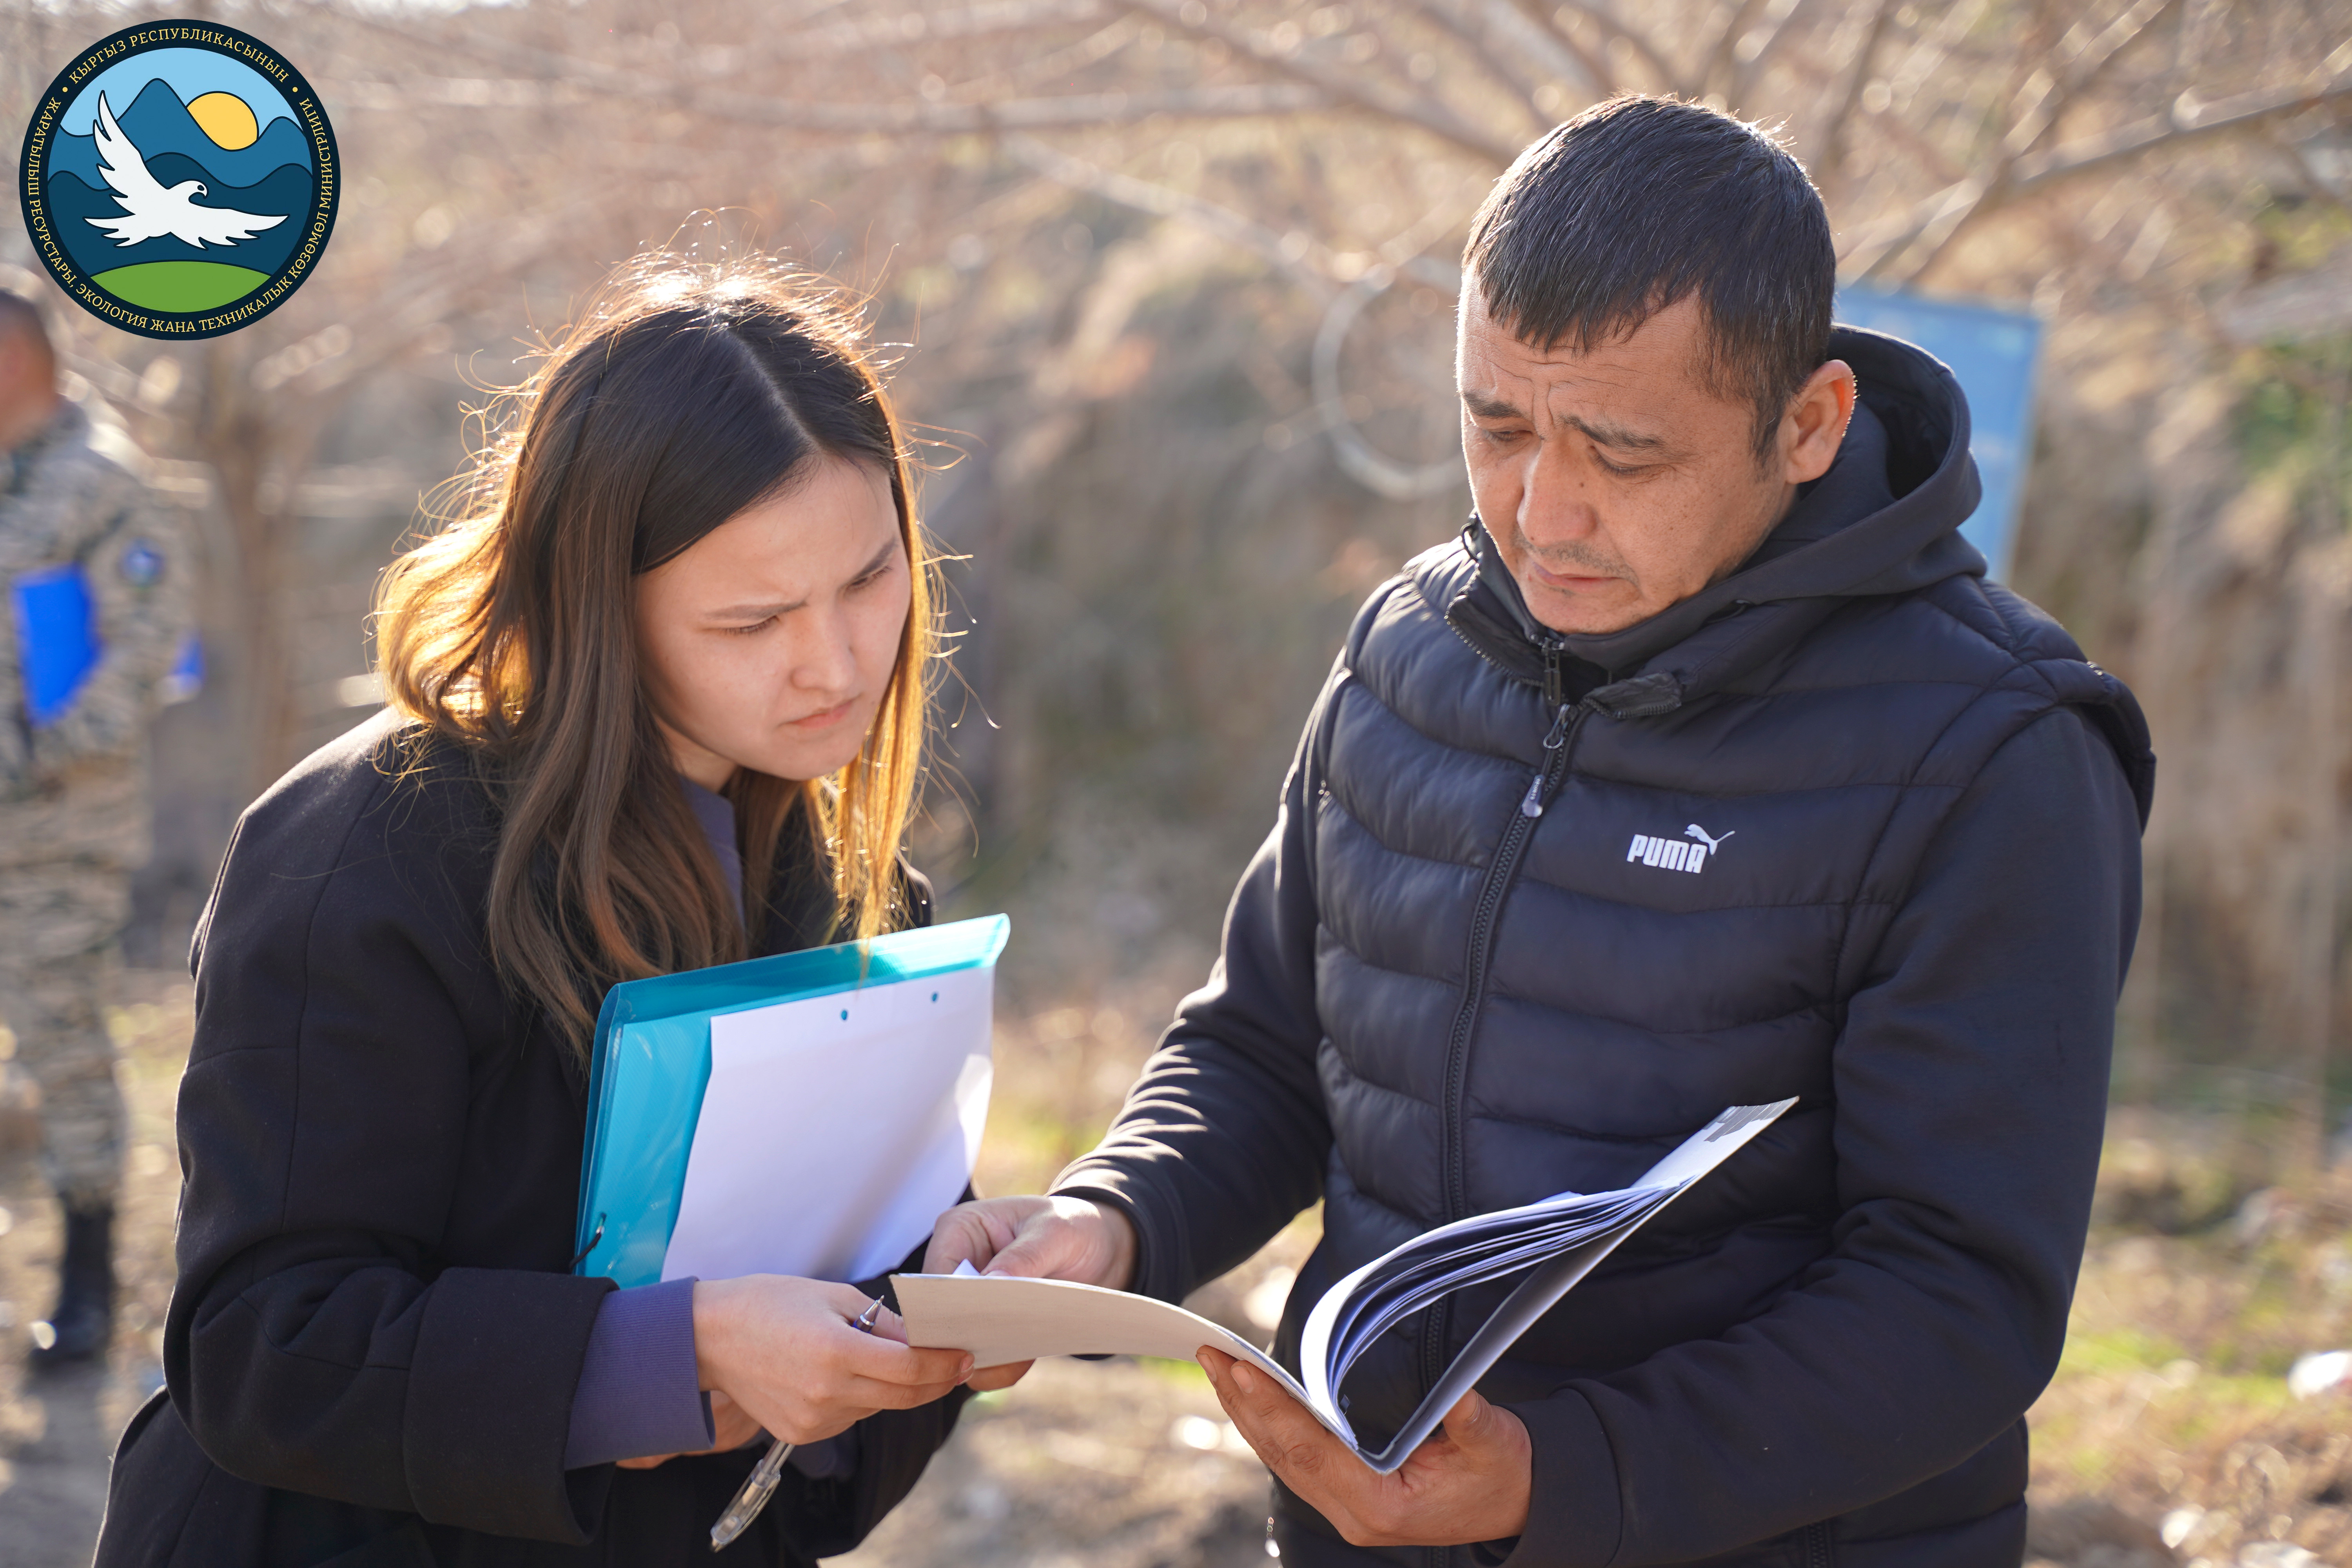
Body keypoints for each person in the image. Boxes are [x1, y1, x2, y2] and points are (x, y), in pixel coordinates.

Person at [928, 96, 2154, 1568]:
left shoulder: (1992, 753)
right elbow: (1268, 1046)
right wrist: (1111, 1221)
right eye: (1495, 427)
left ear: (1810, 425)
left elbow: (1959, 1296)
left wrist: (1559, 1478)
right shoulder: (1411, 647)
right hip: (1363, 1529)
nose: (1540, 512)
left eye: (1623, 455)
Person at [96, 258, 978, 1566]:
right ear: (595, 607)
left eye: (869, 579)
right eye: (752, 621)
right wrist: (663, 1358)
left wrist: (928, 1307)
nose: (838, 664)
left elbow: (810, 1450)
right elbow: (263, 1344)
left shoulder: (847, 874)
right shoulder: (365, 848)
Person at [0, 289, 191, 1369]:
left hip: (56, 836)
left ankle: (82, 1284)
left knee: (65, 1050)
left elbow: (148, 648)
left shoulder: (102, 486)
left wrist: (35, 758)